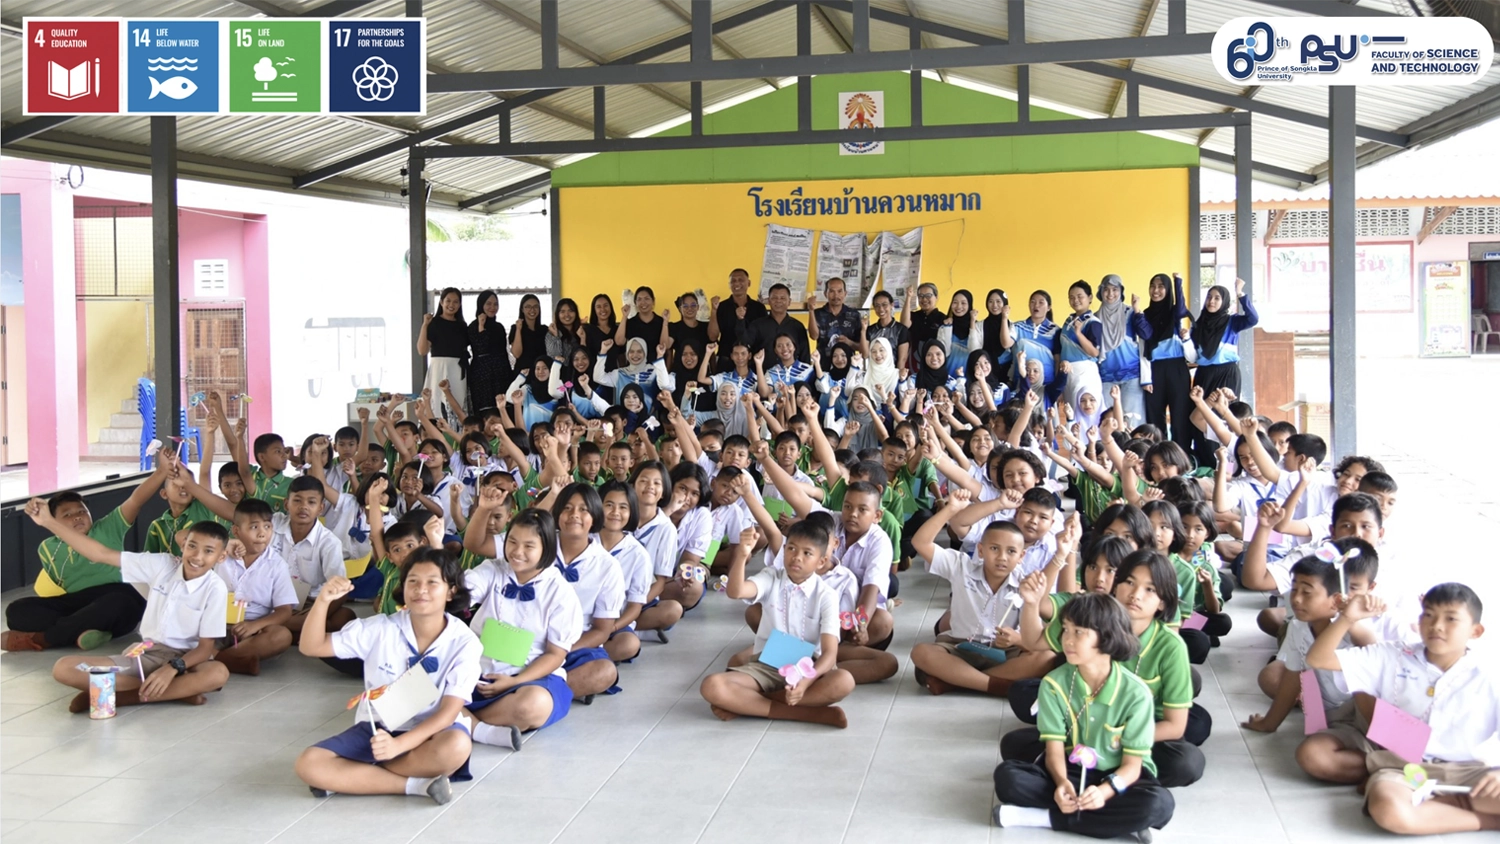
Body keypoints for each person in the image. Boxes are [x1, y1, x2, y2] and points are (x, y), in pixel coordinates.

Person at [1306, 584, 1499, 835]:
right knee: (1390, 811)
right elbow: (1317, 659)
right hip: (1404, 768)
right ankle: (1484, 819)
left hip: (1468, 770)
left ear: (1476, 631)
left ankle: (1437, 806)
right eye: (1428, 615)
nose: (1437, 625)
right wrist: (1347, 618)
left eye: (1451, 619)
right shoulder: (1393, 654)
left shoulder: (1489, 674)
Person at [294, 552, 480, 805]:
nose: (420, 589)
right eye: (412, 581)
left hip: (434, 732)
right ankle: (417, 785)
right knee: (309, 764)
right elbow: (311, 646)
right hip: (379, 729)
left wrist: (398, 746)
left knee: (457, 745)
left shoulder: (464, 642)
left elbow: (448, 713)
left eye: (432, 582)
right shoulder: (380, 628)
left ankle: (356, 776)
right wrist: (323, 601)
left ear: (451, 592)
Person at [992, 592, 1175, 839]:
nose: (1067, 640)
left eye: (1079, 632)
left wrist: (1105, 791)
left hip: (1118, 774)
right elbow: (1054, 750)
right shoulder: (1054, 684)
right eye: (1066, 630)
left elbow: (1132, 766)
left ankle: (1044, 818)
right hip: (1071, 769)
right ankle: (1116, 821)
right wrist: (1061, 783)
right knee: (1008, 778)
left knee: (1158, 804)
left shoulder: (1136, 694)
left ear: (1107, 636)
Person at [29, 499, 233, 711]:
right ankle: (177, 692)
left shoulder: (215, 588)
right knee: (64, 668)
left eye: (208, 551)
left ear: (221, 557)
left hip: (187, 661)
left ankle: (122, 696)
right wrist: (48, 522)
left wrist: (172, 669)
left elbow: (205, 649)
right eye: (192, 546)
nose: (197, 556)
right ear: (183, 546)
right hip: (148, 653)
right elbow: (100, 554)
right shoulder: (163, 564)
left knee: (217, 673)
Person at [2, 457, 169, 652]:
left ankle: (45, 639)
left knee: (120, 603)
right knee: (16, 610)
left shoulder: (108, 527)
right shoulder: (47, 548)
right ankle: (84, 631)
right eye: (67, 515)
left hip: (118, 595)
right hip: (77, 602)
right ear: (52, 521)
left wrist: (161, 472)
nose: (77, 517)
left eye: (82, 511)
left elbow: (136, 500)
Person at [699, 523, 855, 728]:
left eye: (807, 553)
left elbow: (829, 654)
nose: (797, 557)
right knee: (712, 686)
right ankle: (805, 714)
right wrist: (741, 556)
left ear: (821, 561)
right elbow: (736, 592)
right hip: (768, 665)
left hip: (810, 669)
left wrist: (804, 682)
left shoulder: (827, 596)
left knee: (844, 680)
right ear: (784, 550)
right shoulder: (771, 577)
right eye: (791, 548)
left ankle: (749, 703)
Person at [909, 498, 1065, 697]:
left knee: (1046, 658)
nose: (1002, 557)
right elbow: (920, 543)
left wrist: (1017, 639)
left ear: (1021, 556)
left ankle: (956, 681)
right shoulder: (961, 567)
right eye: (994, 548)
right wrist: (950, 509)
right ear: (981, 550)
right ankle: (996, 685)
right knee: (921, 652)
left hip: (1005, 652)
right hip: (961, 647)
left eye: (1011, 551)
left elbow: (1035, 636)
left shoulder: (1026, 585)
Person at [462, 508, 583, 750]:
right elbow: (462, 593)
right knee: (421, 684)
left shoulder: (560, 592)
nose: (517, 552)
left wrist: (513, 681)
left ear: (546, 548)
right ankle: (479, 729)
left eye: (529, 546)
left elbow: (555, 654)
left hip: (530, 678)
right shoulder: (492, 570)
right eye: (512, 542)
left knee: (532, 705)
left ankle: (455, 719)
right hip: (477, 673)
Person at [212, 498, 298, 676]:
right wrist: (224, 545)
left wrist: (254, 625)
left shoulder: (277, 564)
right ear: (236, 531)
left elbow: (285, 611)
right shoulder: (221, 554)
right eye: (253, 527)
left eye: (267, 527)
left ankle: (216, 658)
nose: (262, 534)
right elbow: (183, 537)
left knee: (282, 636)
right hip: (214, 624)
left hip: (252, 631)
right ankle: (229, 660)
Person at [1133, 273, 1194, 447]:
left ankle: (1181, 454)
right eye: (1153, 286)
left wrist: (1178, 282)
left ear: (1168, 289)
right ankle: (1158, 453)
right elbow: (1145, 339)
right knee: (1154, 416)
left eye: (1161, 286)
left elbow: (1181, 308)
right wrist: (1136, 311)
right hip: (1155, 369)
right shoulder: (1145, 314)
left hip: (1177, 368)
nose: (1156, 290)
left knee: (1180, 415)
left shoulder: (1175, 313)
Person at [1190, 278, 1258, 397]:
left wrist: (1239, 293)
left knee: (1225, 408)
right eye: (1209, 297)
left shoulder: (1232, 322)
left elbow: (1253, 319)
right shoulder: (1198, 326)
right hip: (1204, 374)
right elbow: (1193, 354)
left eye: (1217, 298)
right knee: (1200, 408)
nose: (1211, 301)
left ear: (1224, 301)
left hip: (1227, 374)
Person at [1095, 275, 1146, 429]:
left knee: (1132, 422)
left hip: (1132, 375)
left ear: (1121, 291)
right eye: (1106, 289)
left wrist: (1137, 310)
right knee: (1109, 423)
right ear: (1101, 292)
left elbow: (1146, 334)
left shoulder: (1130, 312)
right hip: (1106, 377)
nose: (1110, 293)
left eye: (1115, 289)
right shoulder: (1095, 318)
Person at [418, 288, 470, 421]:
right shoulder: (433, 323)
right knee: (436, 402)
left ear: (460, 304)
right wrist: (425, 325)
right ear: (441, 302)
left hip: (458, 369)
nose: (451, 305)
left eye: (456, 302)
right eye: (448, 301)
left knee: (457, 403)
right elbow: (422, 351)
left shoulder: (463, 326)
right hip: (438, 367)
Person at [709, 268, 769, 371]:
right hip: (727, 360)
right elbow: (712, 337)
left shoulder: (758, 308)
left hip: (753, 362)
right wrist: (714, 310)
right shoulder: (721, 307)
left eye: (741, 280)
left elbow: (764, 336)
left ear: (749, 283)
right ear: (729, 285)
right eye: (733, 281)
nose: (737, 283)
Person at [1004, 290, 1061, 387]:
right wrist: (1004, 318)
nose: (1036, 305)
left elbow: (1057, 360)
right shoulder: (1018, 326)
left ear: (1049, 307)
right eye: (1033, 302)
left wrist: (1057, 386)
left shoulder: (1055, 330)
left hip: (1046, 385)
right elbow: (1006, 344)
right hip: (1021, 384)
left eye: (1041, 302)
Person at [808, 277, 865, 370]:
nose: (836, 295)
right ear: (825, 294)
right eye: (831, 291)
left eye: (839, 291)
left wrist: (849, 342)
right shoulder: (818, 313)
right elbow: (814, 336)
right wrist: (811, 310)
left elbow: (862, 348)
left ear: (845, 293)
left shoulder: (854, 315)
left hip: (848, 368)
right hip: (823, 367)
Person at [468, 291, 509, 415]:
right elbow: (481, 347)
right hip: (482, 374)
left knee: (501, 409)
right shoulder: (473, 326)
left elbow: (504, 352)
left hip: (500, 373)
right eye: (488, 304)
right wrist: (481, 325)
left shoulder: (499, 327)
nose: (492, 307)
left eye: (495, 304)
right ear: (481, 305)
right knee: (484, 410)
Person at [749, 283, 811, 364]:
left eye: (782, 298)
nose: (778, 301)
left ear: (789, 302)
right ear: (769, 301)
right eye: (774, 298)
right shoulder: (757, 325)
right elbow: (747, 352)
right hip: (763, 371)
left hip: (792, 371)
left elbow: (805, 356)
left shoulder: (798, 326)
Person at [617, 286, 671, 361]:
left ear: (653, 301)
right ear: (635, 303)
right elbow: (619, 341)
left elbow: (664, 346)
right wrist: (624, 316)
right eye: (639, 299)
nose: (643, 302)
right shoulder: (630, 323)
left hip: (657, 365)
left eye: (647, 298)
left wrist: (665, 322)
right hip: (635, 366)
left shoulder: (662, 322)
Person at [867, 290, 912, 372]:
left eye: (884, 304)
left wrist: (897, 376)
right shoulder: (870, 330)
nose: (881, 309)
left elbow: (902, 359)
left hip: (892, 373)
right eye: (877, 305)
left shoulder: (901, 330)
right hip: (874, 373)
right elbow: (866, 355)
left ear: (892, 305)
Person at [509, 293, 549, 379]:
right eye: (528, 307)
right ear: (522, 309)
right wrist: (518, 329)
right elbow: (516, 354)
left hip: (541, 374)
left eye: (536, 306)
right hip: (523, 374)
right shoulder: (515, 328)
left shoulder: (544, 330)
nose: (532, 310)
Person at [942, 289, 978, 378]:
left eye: (963, 303)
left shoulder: (977, 327)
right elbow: (944, 352)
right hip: (947, 378)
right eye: (955, 302)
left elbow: (974, 352)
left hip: (969, 378)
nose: (958, 306)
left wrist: (972, 322)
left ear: (969, 305)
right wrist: (947, 327)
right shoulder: (944, 326)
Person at [902, 282, 947, 351]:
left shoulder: (943, 318)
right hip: (914, 356)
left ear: (936, 297)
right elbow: (904, 325)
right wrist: (908, 297)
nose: (924, 299)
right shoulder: (914, 315)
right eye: (921, 296)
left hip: (933, 356)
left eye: (928, 295)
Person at [545, 297, 587, 365]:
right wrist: (556, 337)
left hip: (579, 370)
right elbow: (554, 359)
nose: (567, 315)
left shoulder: (583, 331)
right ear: (557, 314)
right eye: (562, 312)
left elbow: (585, 358)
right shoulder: (552, 333)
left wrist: (583, 339)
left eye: (570, 311)